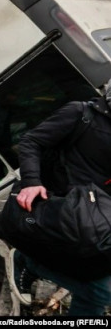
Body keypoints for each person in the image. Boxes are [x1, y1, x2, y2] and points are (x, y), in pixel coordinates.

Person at [11, 81, 111, 316]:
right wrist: (32, 182)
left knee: (96, 293)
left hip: (99, 218)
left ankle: (28, 262)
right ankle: (26, 261)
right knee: (100, 290)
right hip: (63, 208)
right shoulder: (80, 113)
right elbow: (30, 141)